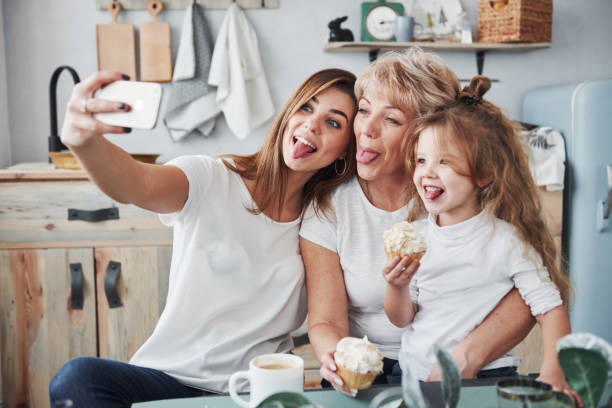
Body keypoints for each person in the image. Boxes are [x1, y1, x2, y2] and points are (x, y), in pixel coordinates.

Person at [48, 68, 358, 407]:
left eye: (333, 122)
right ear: (287, 116)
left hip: (256, 388)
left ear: (345, 150)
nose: (312, 125)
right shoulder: (212, 177)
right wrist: (83, 141)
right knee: (77, 379)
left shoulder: (322, 221)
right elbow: (136, 183)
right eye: (306, 108)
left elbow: (327, 319)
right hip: (169, 380)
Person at [299, 49, 535, 396]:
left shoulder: (461, 192)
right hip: (370, 374)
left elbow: (534, 291)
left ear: (425, 130)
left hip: (464, 366)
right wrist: (340, 359)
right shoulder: (328, 206)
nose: (367, 129)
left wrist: (465, 359)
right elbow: (326, 321)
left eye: (391, 120)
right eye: (364, 111)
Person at [382, 75, 580, 406]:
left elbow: (550, 309)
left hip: (485, 380)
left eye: (444, 161)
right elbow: (402, 318)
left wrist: (552, 371)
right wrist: (397, 287)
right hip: (412, 376)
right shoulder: (415, 236)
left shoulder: (507, 241)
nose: (428, 171)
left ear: (484, 174)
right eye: (421, 159)